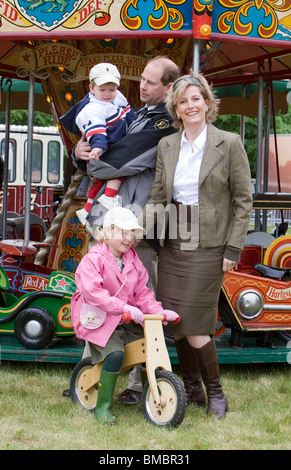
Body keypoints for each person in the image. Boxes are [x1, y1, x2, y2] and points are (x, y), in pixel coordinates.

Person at [69, 56, 180, 406]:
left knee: (136, 300)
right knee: (95, 296)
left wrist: (90, 158)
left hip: (135, 225)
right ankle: (92, 375)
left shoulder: (164, 120)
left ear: (168, 88)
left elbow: (118, 161)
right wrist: (79, 151)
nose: (141, 86)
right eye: (142, 80)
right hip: (111, 221)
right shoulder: (137, 113)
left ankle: (137, 383)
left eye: (150, 82)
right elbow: (102, 147)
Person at [142, 72, 253, 418]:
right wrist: (138, 233)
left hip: (210, 247)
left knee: (195, 323)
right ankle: (191, 390)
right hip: (175, 243)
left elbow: (243, 201)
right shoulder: (167, 145)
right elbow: (158, 197)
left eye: (196, 99)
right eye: (183, 101)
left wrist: (232, 250)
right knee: (175, 321)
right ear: (175, 108)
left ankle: (216, 393)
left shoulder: (229, 142)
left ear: (207, 102)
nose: (190, 105)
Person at [70, 206, 179, 424]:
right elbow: (93, 293)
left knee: (149, 342)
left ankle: (154, 389)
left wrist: (158, 312)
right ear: (108, 232)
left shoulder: (133, 260)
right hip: (99, 318)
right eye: (123, 233)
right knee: (115, 355)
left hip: (124, 317)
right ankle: (102, 407)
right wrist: (123, 308)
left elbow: (143, 292)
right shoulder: (93, 260)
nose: (129, 239)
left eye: (132, 234)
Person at [60, 62, 137, 223]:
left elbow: (130, 114)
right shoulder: (91, 109)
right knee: (119, 169)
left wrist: (135, 124)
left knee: (100, 180)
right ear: (91, 88)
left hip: (115, 142)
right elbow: (97, 133)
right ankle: (109, 196)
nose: (108, 94)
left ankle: (87, 208)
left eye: (112, 89)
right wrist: (98, 148)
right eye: (102, 90)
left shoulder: (118, 97)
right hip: (108, 147)